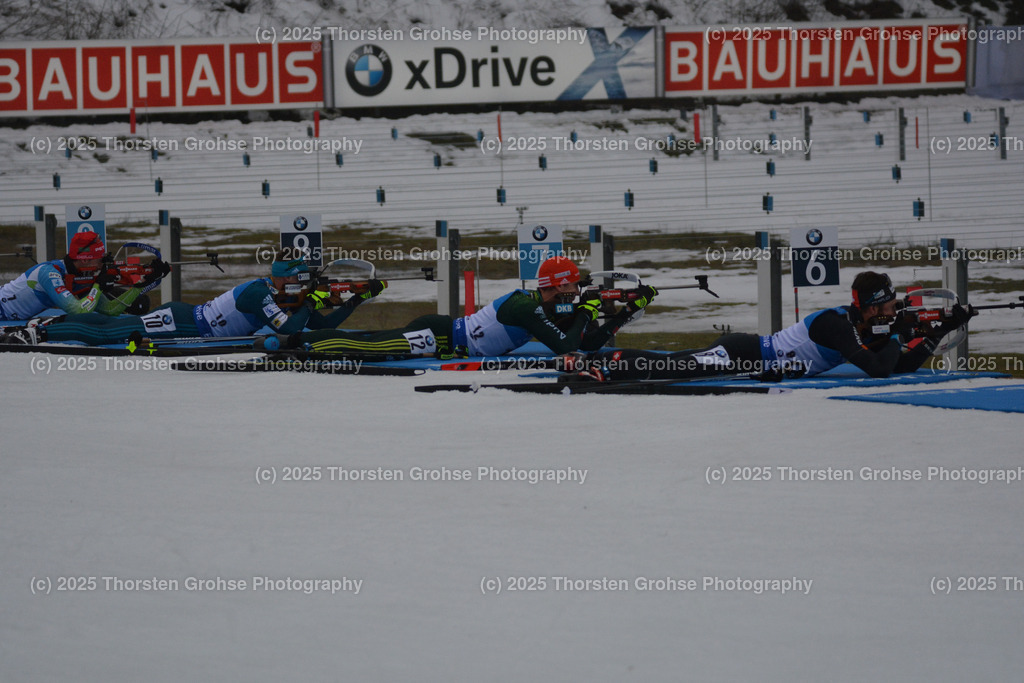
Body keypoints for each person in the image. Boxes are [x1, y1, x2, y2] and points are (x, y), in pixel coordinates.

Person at [565, 271, 973, 382]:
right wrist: (902, 334)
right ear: (869, 308)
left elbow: (900, 368)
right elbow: (878, 368)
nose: (891, 311)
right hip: (746, 352)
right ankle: (601, 360)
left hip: (757, 363)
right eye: (886, 306)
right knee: (678, 367)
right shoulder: (836, 324)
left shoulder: (867, 327)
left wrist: (932, 336)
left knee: (680, 365)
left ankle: (604, 360)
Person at [277, 256, 657, 358]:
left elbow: (586, 343)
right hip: (438, 337)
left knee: (374, 340)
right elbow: (566, 347)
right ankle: (295, 343)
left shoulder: (546, 307)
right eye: (573, 283)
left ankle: (301, 339)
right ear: (557, 286)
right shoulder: (525, 307)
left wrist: (622, 313)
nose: (578, 289)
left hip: (446, 335)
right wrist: (590, 311)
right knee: (371, 346)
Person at [0, 259, 385, 345]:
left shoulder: (287, 294)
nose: (306, 286)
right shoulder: (259, 291)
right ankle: (39, 330)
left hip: (194, 325)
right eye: (303, 281)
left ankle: (42, 328)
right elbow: (290, 329)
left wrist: (355, 301)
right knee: (116, 330)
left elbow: (320, 328)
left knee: (115, 330)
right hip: (183, 322)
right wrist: (308, 303)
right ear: (286, 279)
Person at [0, 233, 156, 324]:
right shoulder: (49, 273)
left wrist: (142, 284)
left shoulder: (80, 276)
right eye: (99, 260)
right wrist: (98, 286)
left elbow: (111, 309)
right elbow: (77, 310)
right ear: (85, 259)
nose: (101, 265)